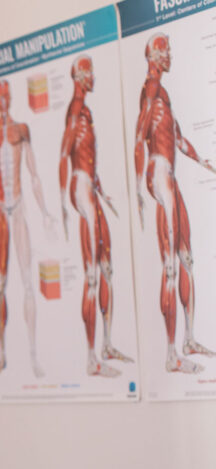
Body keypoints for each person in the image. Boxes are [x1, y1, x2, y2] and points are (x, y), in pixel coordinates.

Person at [133, 32, 216, 374]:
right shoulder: (151, 87)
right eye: (165, 50)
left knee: (186, 259)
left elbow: (178, 139)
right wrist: (139, 186)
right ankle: (171, 354)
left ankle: (189, 338)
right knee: (169, 266)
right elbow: (140, 136)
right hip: (159, 172)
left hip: (171, 173)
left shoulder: (162, 94)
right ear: (154, 55)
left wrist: (205, 162)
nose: (169, 55)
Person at [0, 79, 57, 379]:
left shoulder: (22, 131)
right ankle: (3, 356)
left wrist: (45, 213)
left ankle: (33, 355)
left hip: (18, 210)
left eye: (7, 95)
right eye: (0, 96)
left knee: (29, 282)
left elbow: (33, 174)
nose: (4, 100)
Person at [58, 54, 133, 378]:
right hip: (81, 188)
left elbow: (87, 158)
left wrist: (104, 192)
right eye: (88, 72)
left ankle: (107, 344)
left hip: (91, 186)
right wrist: (64, 202)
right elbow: (65, 156)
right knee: (91, 275)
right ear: (78, 76)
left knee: (106, 269)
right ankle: (91, 358)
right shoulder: (75, 110)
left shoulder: (85, 111)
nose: (92, 77)